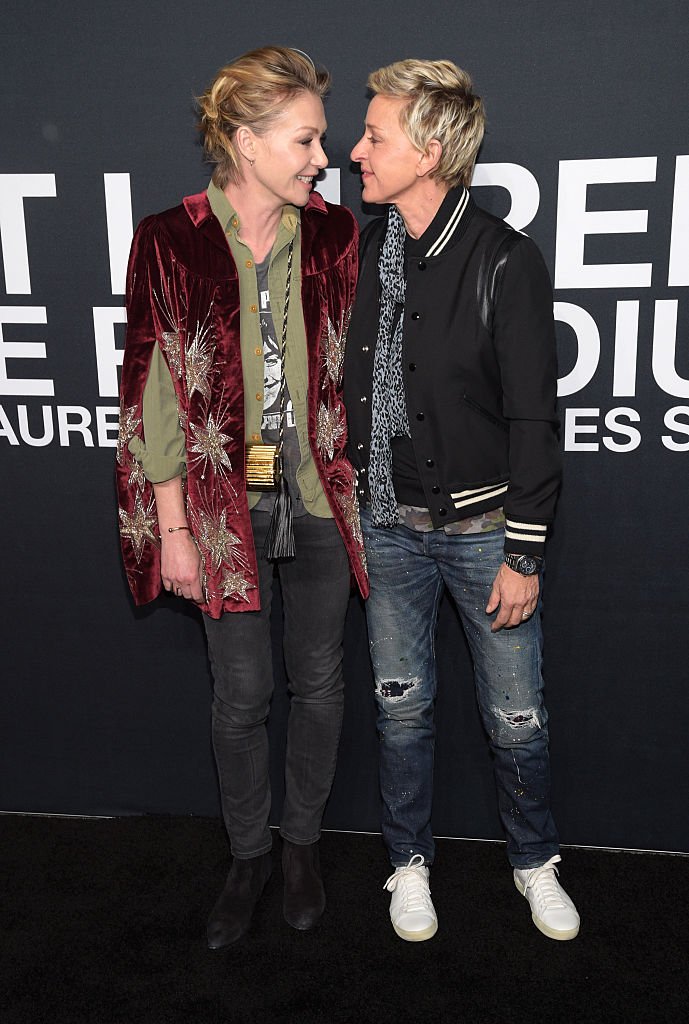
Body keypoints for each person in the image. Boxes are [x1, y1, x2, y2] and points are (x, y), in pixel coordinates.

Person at [116, 46, 368, 949]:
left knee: (322, 681)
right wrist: (172, 528)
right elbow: (150, 391)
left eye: (323, 141)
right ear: (244, 139)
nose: (319, 157)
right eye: (304, 139)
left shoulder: (335, 233)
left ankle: (301, 847)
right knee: (242, 694)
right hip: (221, 511)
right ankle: (249, 853)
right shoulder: (170, 237)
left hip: (318, 496)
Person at [345, 58, 579, 943]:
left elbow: (532, 416)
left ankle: (532, 863)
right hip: (387, 530)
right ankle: (408, 866)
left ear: (431, 149)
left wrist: (523, 552)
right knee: (399, 709)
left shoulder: (503, 259)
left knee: (516, 716)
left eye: (374, 136)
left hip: (487, 535)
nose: (355, 149)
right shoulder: (367, 250)